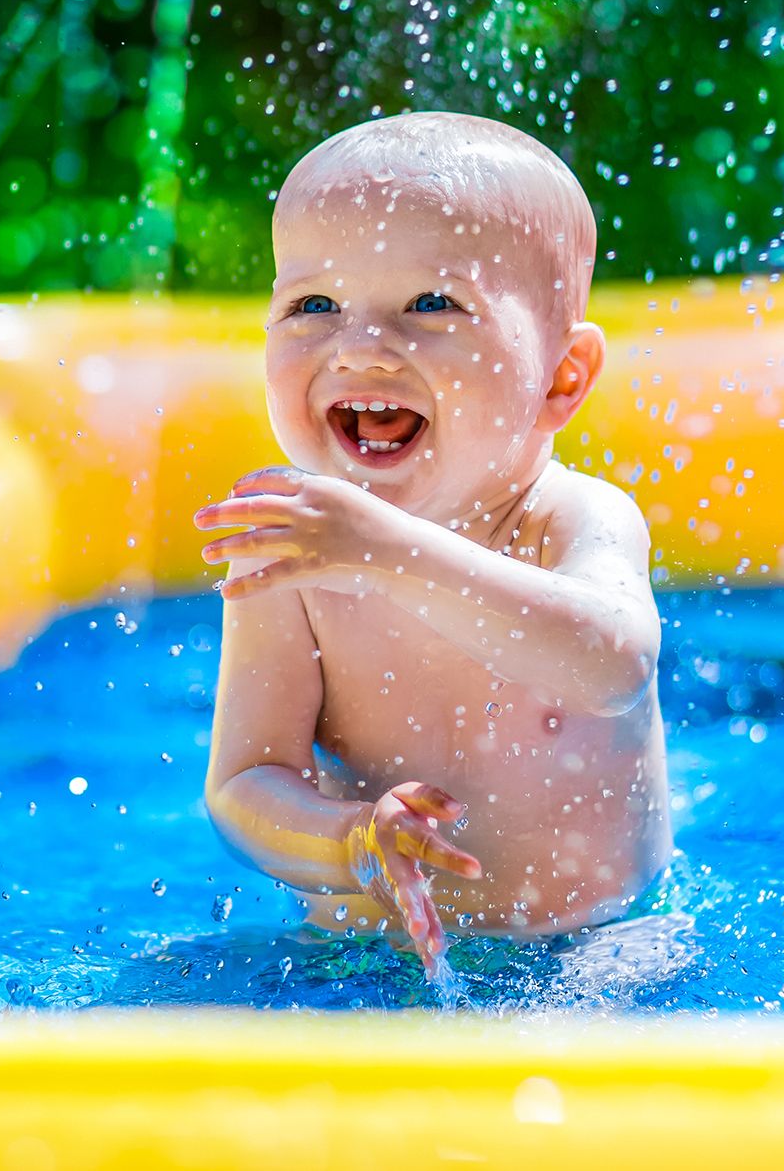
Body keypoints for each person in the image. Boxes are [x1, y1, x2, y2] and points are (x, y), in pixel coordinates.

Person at [193, 110, 672, 976]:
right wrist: (348, 842)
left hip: (600, 950)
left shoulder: (572, 518)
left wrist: (387, 551)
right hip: (361, 954)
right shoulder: (287, 555)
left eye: (430, 304)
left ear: (563, 377)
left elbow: (615, 661)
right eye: (314, 304)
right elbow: (242, 785)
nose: (361, 347)